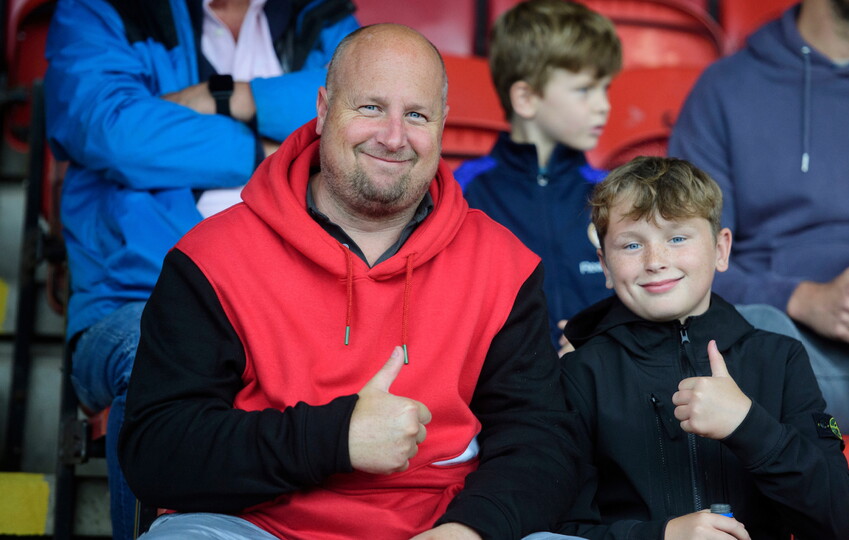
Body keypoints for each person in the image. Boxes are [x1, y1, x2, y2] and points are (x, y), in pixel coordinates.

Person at [117, 23, 579, 539]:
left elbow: (539, 443)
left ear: (443, 126)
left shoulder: (501, 264)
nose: (394, 136)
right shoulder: (212, 256)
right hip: (259, 527)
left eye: (417, 115)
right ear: (322, 109)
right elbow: (157, 451)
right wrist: (337, 438)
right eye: (371, 108)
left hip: (442, 526)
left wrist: (470, 530)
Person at [44, 1, 358, 537]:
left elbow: (360, 113)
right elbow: (112, 128)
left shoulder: (318, 13)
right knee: (156, 351)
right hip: (135, 298)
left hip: (300, 299)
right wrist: (268, 150)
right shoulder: (102, 8)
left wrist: (229, 98)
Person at [668, 0, 849, 435]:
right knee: (751, 334)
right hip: (786, 352)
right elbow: (683, 256)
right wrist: (801, 298)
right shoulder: (726, 87)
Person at [555, 156, 849, 539]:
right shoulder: (580, 374)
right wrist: (662, 536)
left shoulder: (779, 359)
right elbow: (558, 529)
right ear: (604, 265)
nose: (655, 261)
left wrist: (747, 424)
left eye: (677, 238)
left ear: (721, 249)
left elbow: (839, 518)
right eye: (632, 244)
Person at [454, 0, 622, 352]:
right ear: (526, 98)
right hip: (505, 395)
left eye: (605, 88)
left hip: (601, 392)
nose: (604, 105)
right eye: (585, 89)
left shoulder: (615, 193)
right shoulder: (463, 192)